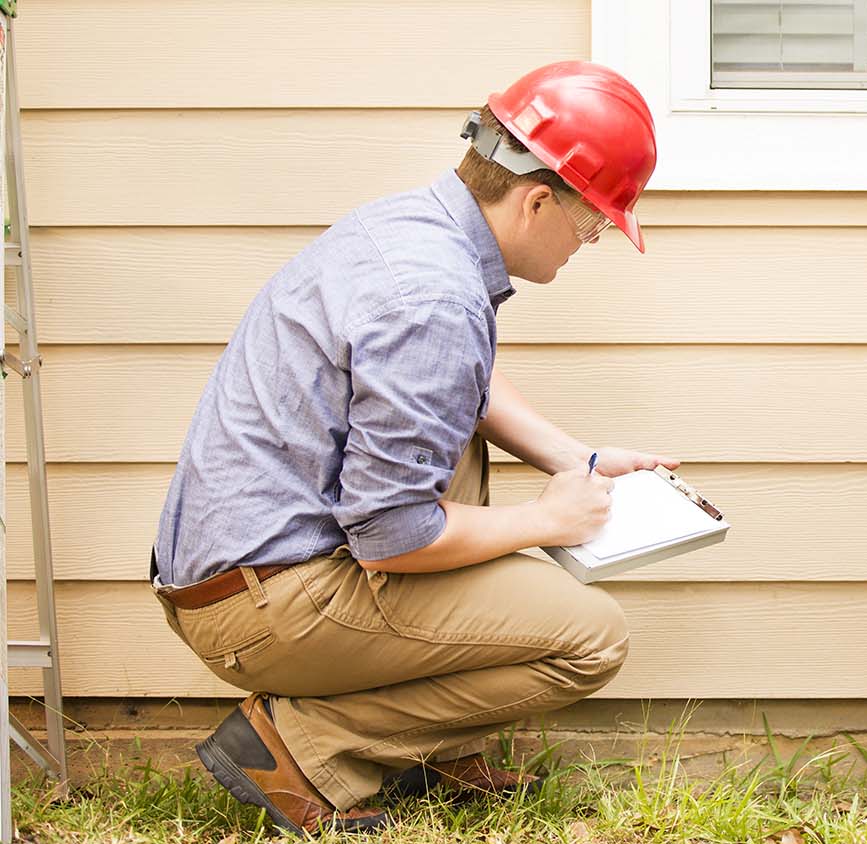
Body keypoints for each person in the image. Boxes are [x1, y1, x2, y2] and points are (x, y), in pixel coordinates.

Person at [151, 62, 673, 836]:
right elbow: (393, 535)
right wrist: (548, 519)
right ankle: (303, 752)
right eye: (594, 222)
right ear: (536, 200)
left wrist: (576, 462)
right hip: (263, 605)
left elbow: (460, 386)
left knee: (446, 445)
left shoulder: (415, 228)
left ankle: (428, 749)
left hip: (246, 567)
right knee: (592, 639)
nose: (591, 240)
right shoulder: (431, 296)